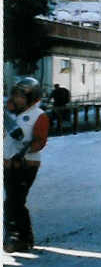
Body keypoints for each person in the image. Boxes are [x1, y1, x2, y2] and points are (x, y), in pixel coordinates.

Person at [4, 78, 50, 252]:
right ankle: (21, 237)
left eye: (21, 96)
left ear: (31, 97)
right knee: (13, 201)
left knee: (14, 201)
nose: (17, 99)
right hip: (9, 163)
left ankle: (18, 238)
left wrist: (26, 148)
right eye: (15, 95)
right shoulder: (10, 115)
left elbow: (40, 140)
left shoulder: (39, 115)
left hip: (26, 164)